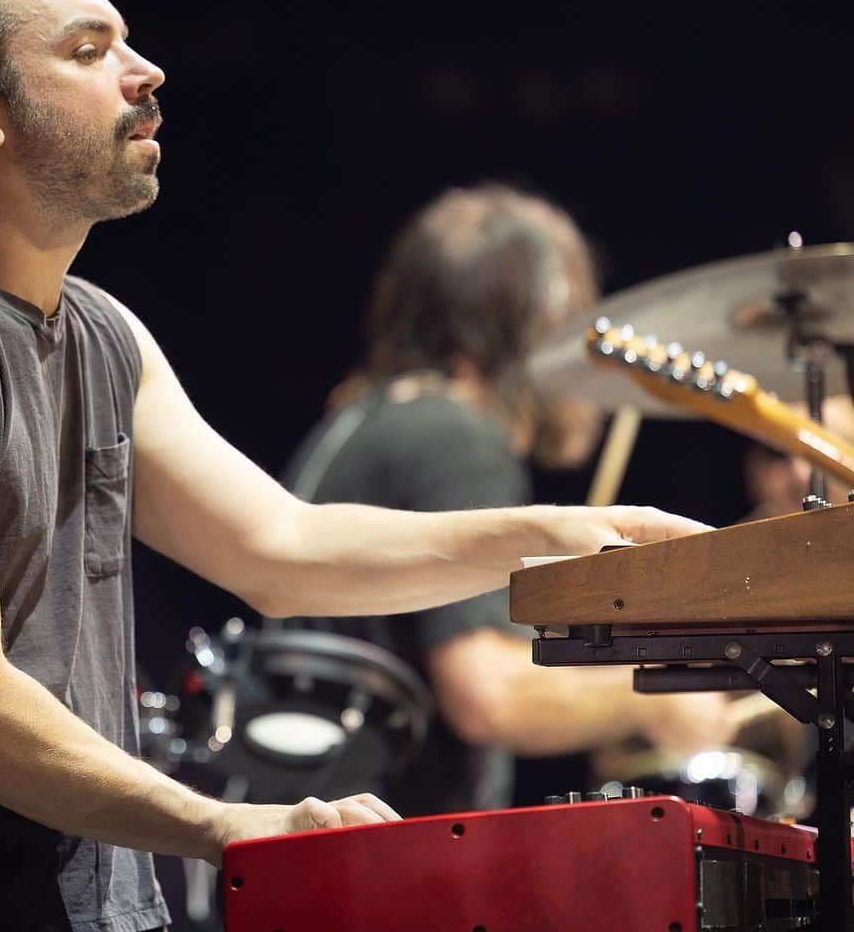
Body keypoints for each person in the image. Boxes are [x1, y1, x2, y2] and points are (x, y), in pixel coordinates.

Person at [0, 0, 713, 932]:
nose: (147, 72)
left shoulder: (102, 334)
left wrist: (555, 539)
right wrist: (226, 823)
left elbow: (282, 547)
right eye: (90, 52)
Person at [278, 183, 740, 816]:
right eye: (580, 319)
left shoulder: (362, 417)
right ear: (539, 324)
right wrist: (655, 695)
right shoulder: (456, 438)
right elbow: (486, 694)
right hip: (372, 860)